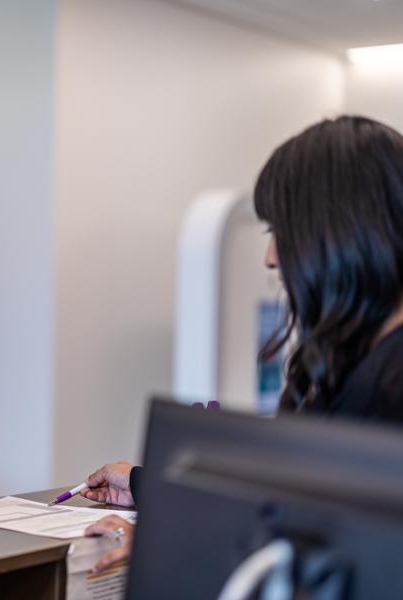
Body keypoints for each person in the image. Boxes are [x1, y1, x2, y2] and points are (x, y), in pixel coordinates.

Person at [83, 115, 403, 571]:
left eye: (281, 232)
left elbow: (328, 561)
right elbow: (288, 502)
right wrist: (146, 483)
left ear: (338, 231)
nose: (271, 257)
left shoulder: (383, 392)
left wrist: (170, 546)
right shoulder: (367, 367)